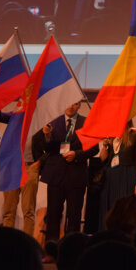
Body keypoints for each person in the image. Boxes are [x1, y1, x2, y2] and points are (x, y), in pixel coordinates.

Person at [33, 101, 98, 243]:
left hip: (77, 175)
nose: (71, 106)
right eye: (68, 103)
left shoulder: (86, 122)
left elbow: (94, 149)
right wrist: (47, 136)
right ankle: (51, 250)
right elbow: (46, 148)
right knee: (53, 214)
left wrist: (77, 154)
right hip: (56, 175)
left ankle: (71, 249)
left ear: (79, 105)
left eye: (75, 104)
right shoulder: (53, 121)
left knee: (74, 215)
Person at [94, 121, 136, 232]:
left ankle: (126, 234)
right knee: (110, 206)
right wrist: (105, 146)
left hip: (127, 174)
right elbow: (103, 159)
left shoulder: (135, 136)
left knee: (126, 207)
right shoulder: (112, 138)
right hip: (111, 176)